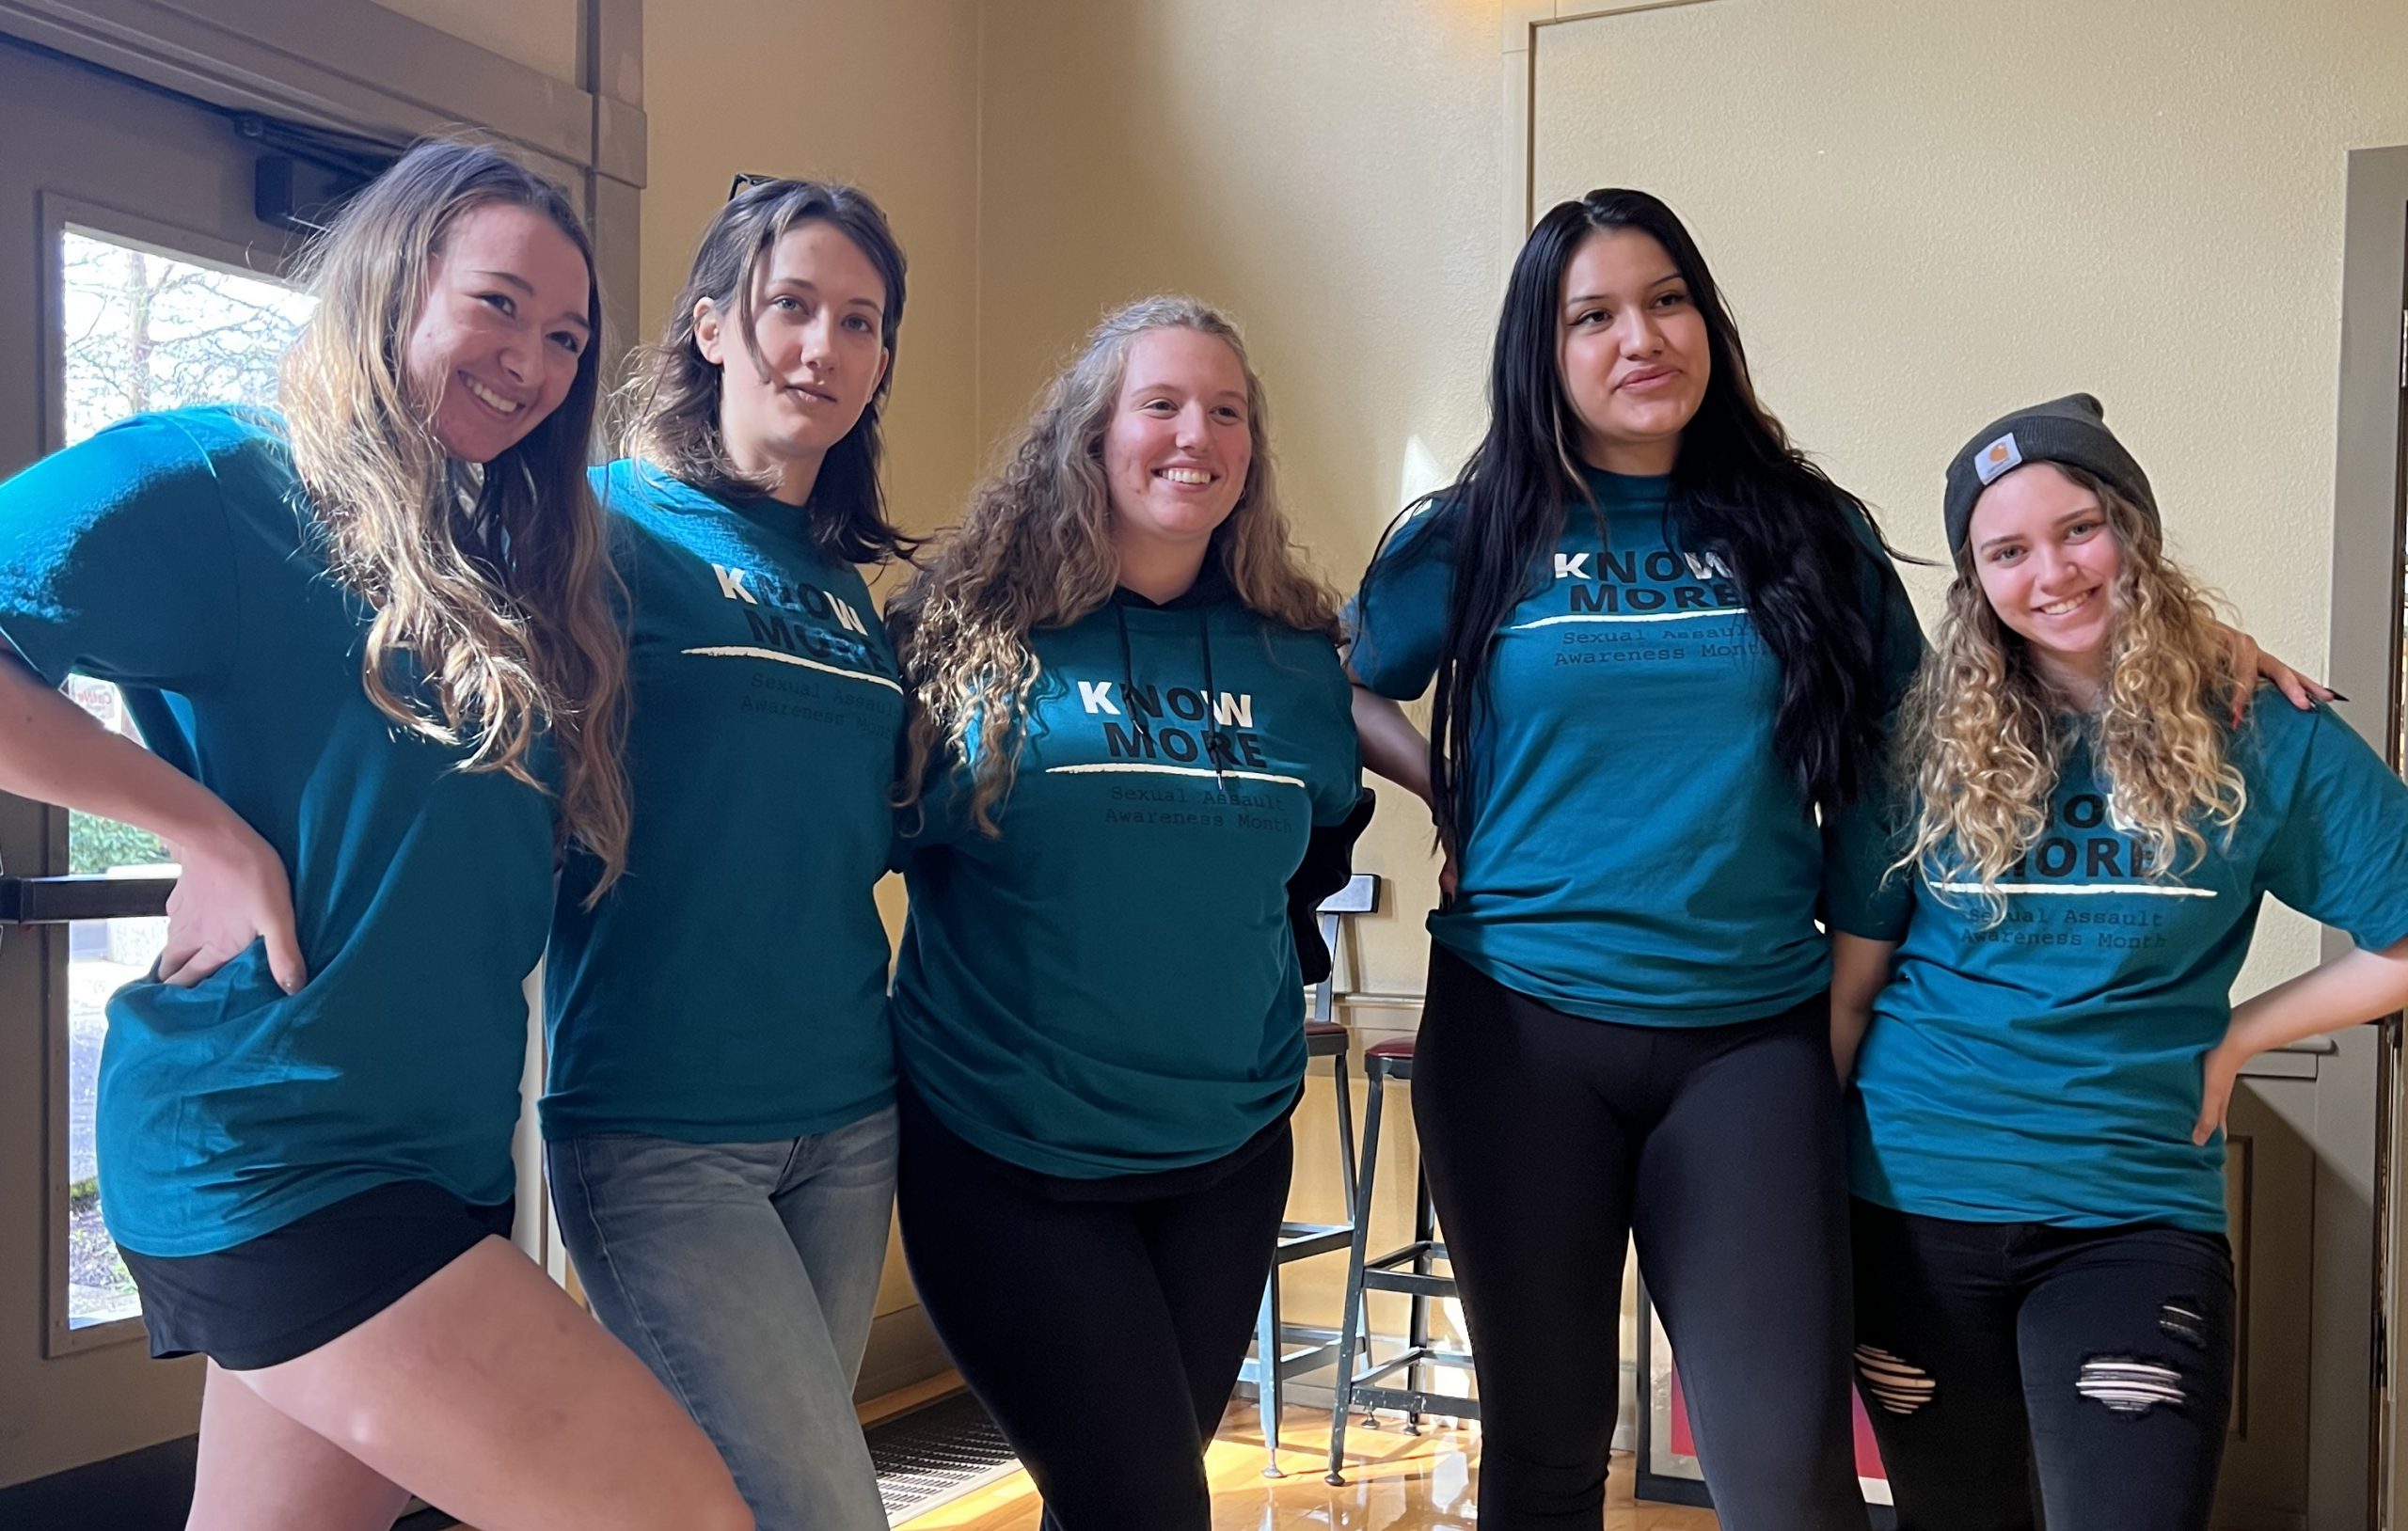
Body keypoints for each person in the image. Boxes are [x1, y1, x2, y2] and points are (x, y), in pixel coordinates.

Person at [0, 140, 749, 1530]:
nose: (532, 360)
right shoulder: (221, 482)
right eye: (500, 303)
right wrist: (204, 833)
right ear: (394, 283)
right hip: (279, 1150)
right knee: (682, 1515)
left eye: (567, 335)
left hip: (435, 1155)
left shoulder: (496, 564)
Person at [1344, 187, 1922, 1528]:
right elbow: (1334, 684)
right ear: (1541, 352)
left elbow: (1921, 748)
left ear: (1706, 322)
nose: (1638, 337)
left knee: (1787, 1478)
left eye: (1665, 300)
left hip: (1752, 1044)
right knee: (1546, 1453)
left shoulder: (1810, 531)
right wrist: (1453, 784)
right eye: (1590, 315)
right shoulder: (1474, 532)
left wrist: (2187, 660)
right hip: (1517, 1037)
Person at [1828, 395, 2408, 1531]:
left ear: (2132, 531)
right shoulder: (1919, 740)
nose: (2051, 570)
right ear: (1973, 578)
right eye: (2007, 549)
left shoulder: (2261, 727)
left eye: (2079, 527)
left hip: (2131, 1211)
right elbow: (1852, 987)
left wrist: (2244, 1032)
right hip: (1907, 1197)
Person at [884, 295, 1367, 1530]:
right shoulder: (964, 633)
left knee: (1113, 1502)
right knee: (1149, 1509)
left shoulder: (1295, 657)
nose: (1193, 434)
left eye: (1226, 411)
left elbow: (1305, 866)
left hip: (1225, 1159)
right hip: (1007, 1158)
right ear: (1092, 434)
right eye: (1160, 404)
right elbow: (838, 846)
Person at [542, 176, 911, 1531]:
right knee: (824, 1511)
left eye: (859, 322)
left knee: (739, 1507)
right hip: (659, 1125)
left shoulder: (842, 586)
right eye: (791, 307)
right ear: (710, 326)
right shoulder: (597, 523)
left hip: (845, 1115)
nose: (823, 348)